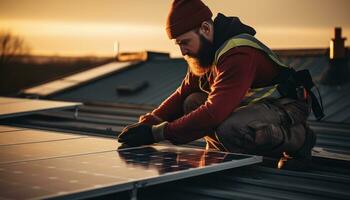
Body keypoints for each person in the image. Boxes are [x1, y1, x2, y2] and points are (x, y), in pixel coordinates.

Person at [118, 0, 324, 161]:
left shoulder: (238, 53)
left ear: (206, 29)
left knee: (230, 128)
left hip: (287, 107)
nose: (182, 51)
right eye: (178, 44)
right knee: (191, 102)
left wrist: (156, 133)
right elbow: (183, 94)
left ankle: (299, 140)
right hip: (254, 107)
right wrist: (146, 123)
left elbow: (214, 112)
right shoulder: (205, 54)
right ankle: (223, 150)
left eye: (185, 42)